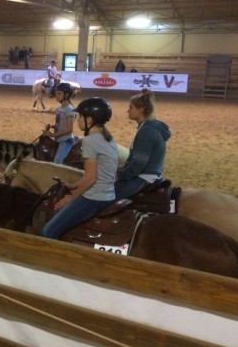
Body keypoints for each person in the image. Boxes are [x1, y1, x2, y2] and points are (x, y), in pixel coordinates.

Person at [42, 97, 118, 239]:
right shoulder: (107, 138)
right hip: (108, 195)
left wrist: (71, 198)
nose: (78, 120)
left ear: (89, 120)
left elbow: (91, 178)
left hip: (94, 198)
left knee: (48, 232)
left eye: (81, 116)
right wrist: (73, 185)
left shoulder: (89, 141)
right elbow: (99, 174)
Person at [114, 89, 171, 199]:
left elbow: (138, 164)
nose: (128, 111)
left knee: (106, 197)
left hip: (144, 177)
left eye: (131, 108)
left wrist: (120, 175)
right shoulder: (149, 128)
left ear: (141, 110)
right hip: (150, 175)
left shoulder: (146, 131)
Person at [44, 82, 76, 164]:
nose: (56, 95)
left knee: (57, 162)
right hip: (59, 139)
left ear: (67, 95)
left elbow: (69, 129)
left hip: (66, 140)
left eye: (59, 93)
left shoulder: (69, 109)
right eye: (56, 93)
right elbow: (61, 123)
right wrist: (54, 126)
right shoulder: (59, 108)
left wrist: (52, 135)